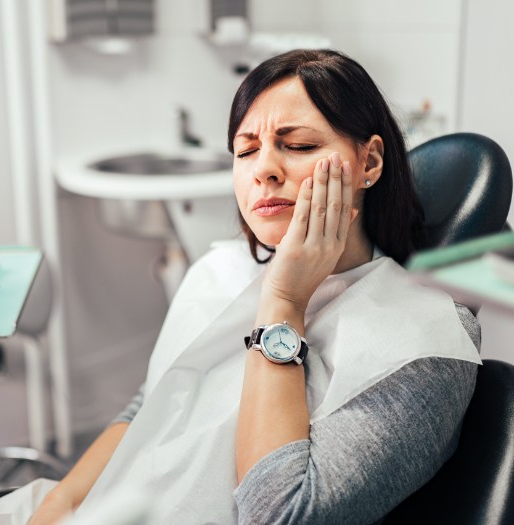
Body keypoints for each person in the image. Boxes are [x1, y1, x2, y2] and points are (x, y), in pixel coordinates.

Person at [29, 49, 481, 525]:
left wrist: (285, 302)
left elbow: (281, 514)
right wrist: (55, 507)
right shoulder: (219, 271)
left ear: (368, 162)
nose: (263, 168)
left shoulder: (427, 343)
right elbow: (152, 404)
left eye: (300, 146)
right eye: (245, 151)